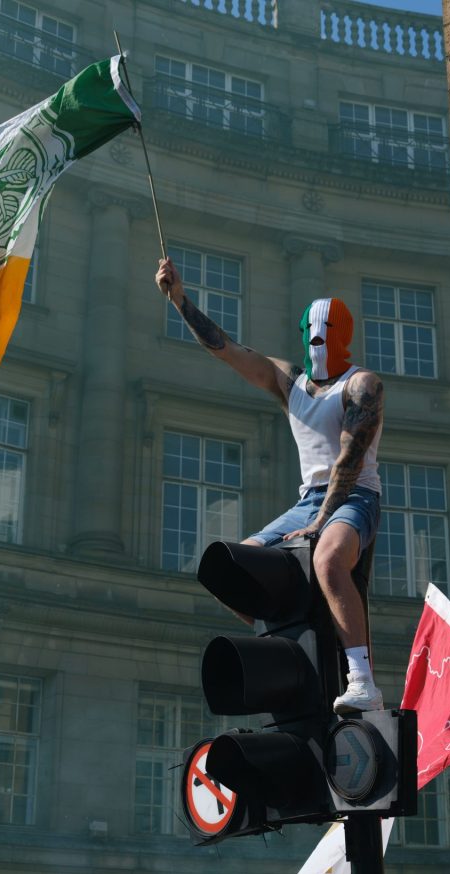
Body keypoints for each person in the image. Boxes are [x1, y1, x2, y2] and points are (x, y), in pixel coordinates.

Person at [156, 258, 385, 715]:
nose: (316, 343)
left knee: (327, 556)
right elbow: (228, 349)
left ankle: (361, 678)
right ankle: (289, 628)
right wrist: (180, 300)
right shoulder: (290, 381)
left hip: (356, 494)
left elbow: (349, 459)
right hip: (307, 501)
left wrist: (322, 522)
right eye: (311, 335)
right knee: (233, 570)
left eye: (325, 335)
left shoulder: (361, 384)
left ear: (342, 334)